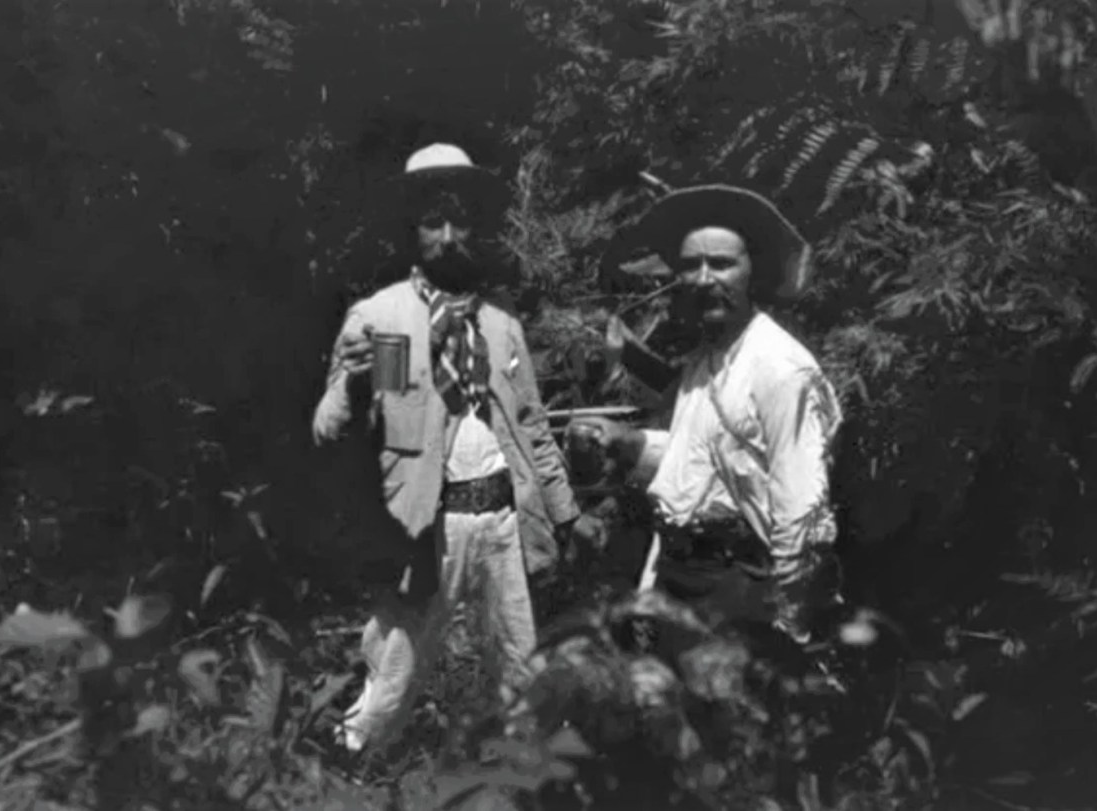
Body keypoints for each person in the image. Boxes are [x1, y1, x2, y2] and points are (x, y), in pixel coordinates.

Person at [312, 142, 605, 753]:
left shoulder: (500, 322)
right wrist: (353, 386)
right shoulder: (381, 318)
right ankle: (350, 760)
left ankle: (524, 770)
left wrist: (566, 513)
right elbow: (333, 431)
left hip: (503, 519)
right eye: (432, 223)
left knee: (519, 660)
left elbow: (532, 426)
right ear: (412, 231)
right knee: (396, 665)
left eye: (460, 222)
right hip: (426, 524)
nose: (448, 238)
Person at [573, 184, 843, 645]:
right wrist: (631, 443)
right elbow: (703, 462)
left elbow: (800, 506)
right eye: (690, 265)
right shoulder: (706, 359)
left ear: (753, 272)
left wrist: (789, 631)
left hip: (742, 586)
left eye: (720, 264)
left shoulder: (780, 369)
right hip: (683, 579)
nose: (702, 279)